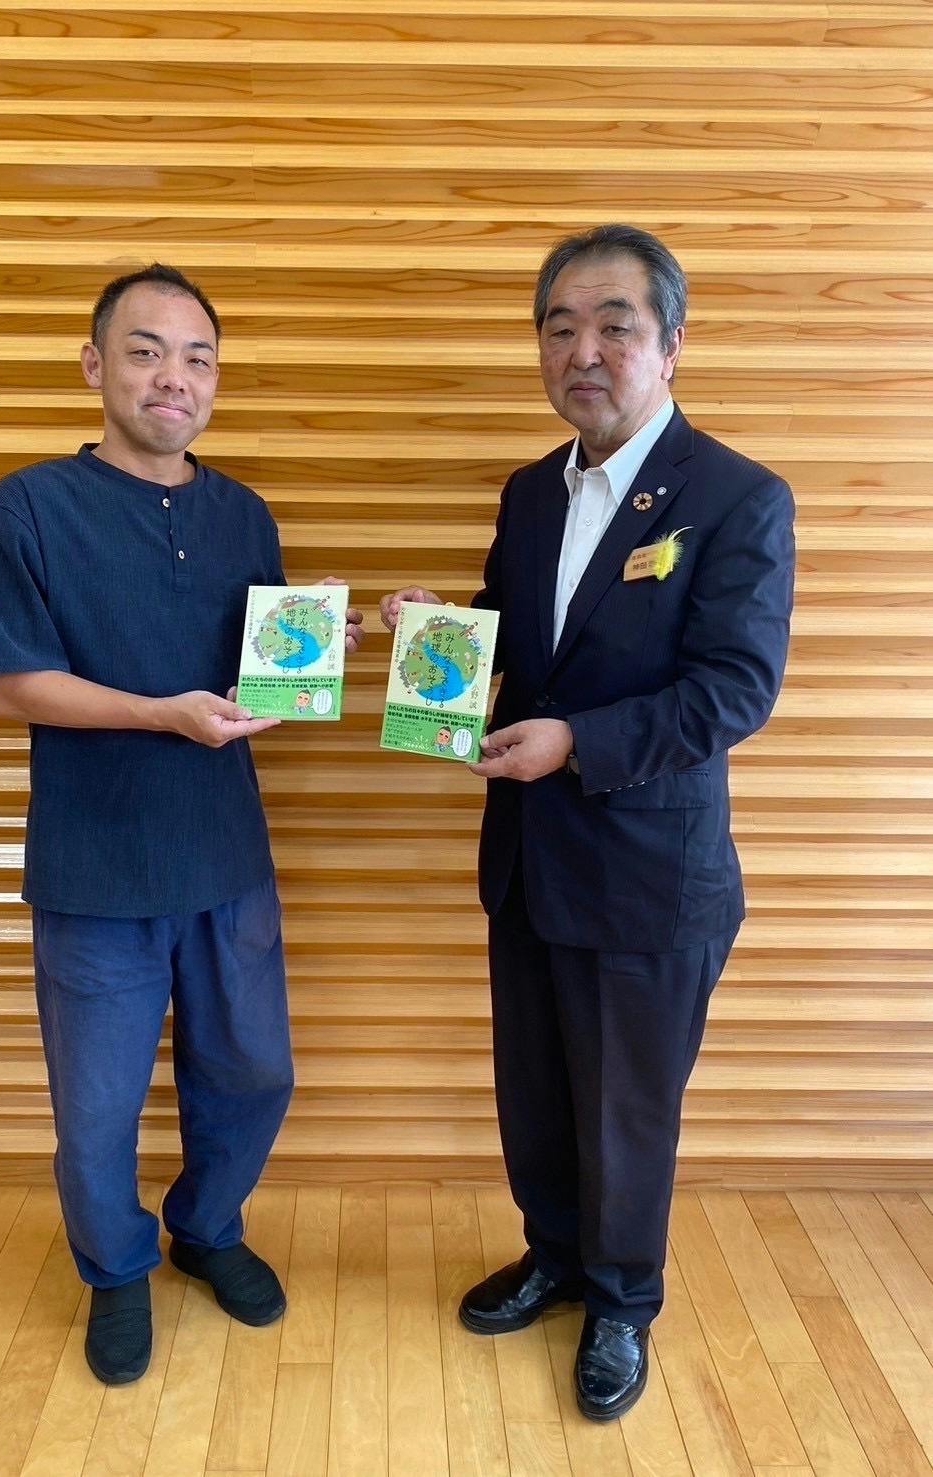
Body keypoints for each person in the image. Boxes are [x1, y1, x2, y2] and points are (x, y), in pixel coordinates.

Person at [381, 225, 794, 1420]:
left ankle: (622, 1299)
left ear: (670, 343)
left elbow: (734, 689)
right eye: (558, 328)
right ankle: (554, 1256)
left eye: (615, 325)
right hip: (528, 857)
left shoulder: (735, 496)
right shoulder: (530, 491)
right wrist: (436, 630)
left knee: (624, 1110)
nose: (583, 351)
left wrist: (576, 743)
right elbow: (518, 642)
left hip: (647, 873)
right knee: (536, 1091)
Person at [0, 263, 363, 1385]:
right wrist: (156, 712)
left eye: (196, 356)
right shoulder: (29, 505)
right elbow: (4, 683)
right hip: (93, 865)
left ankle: (206, 1228)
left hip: (228, 855)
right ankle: (116, 1267)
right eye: (145, 351)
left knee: (253, 1071)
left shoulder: (244, 515)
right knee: (96, 1110)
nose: (172, 377)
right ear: (96, 365)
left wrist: (318, 651)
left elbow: (257, 686)